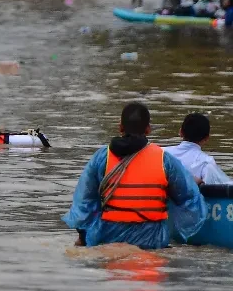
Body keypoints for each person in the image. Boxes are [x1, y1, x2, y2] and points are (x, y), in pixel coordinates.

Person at [63, 103, 207, 249]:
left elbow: (83, 204)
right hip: (151, 243)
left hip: (108, 240)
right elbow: (189, 199)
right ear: (148, 129)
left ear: (120, 127)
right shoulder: (165, 160)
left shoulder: (101, 158)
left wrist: (82, 238)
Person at [164, 113, 233, 185]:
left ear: (180, 132)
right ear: (206, 138)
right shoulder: (206, 162)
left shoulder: (161, 152)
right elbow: (221, 185)